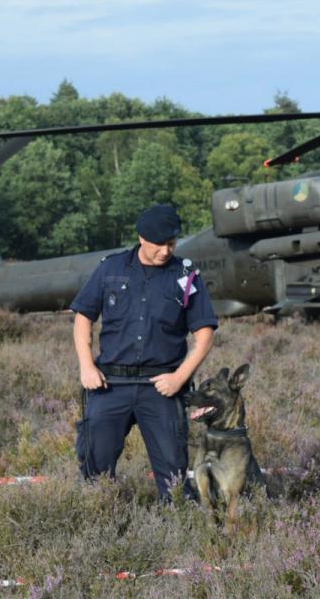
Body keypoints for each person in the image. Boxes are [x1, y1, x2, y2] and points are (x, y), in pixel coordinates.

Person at [70, 204, 217, 500]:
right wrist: (86, 366)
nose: (166, 251)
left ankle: (176, 525)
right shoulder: (110, 269)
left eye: (172, 244)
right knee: (94, 472)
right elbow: (83, 317)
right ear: (141, 238)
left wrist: (179, 378)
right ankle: (98, 521)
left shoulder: (186, 275)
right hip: (111, 385)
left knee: (174, 480)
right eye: (159, 244)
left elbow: (205, 335)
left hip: (162, 388)